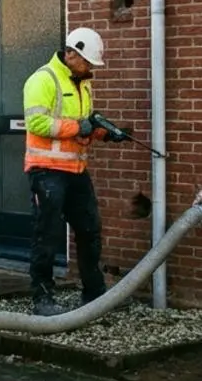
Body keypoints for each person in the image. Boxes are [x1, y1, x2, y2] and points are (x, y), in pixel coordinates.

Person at [21, 27, 126, 317]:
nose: (91, 68)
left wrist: (104, 132)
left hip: (76, 170)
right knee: (47, 234)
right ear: (70, 54)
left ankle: (94, 295)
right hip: (47, 171)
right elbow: (37, 124)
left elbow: (84, 124)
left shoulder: (84, 84)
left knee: (89, 230)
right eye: (87, 62)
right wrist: (79, 126)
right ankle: (42, 298)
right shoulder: (42, 80)